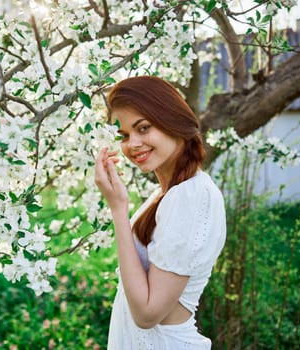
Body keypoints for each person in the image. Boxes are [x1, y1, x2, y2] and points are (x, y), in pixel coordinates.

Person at [94, 76, 226, 349]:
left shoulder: (190, 196)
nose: (132, 144)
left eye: (143, 128)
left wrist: (119, 209)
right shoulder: (167, 194)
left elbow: (148, 313)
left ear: (172, 121)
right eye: (124, 136)